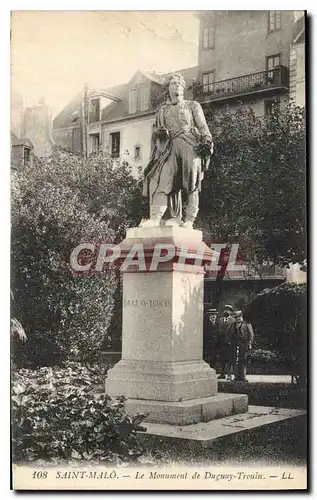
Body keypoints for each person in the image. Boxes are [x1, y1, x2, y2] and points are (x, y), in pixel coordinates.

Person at [140, 72, 213, 229]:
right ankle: (156, 217)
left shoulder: (193, 105)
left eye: (179, 84)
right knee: (162, 179)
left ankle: (189, 220)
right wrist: (159, 134)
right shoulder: (162, 110)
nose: (177, 86)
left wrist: (207, 140)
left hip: (190, 144)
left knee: (192, 182)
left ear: (183, 87)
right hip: (170, 146)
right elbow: (157, 131)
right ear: (168, 88)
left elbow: (203, 126)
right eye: (173, 83)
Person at [232, 310, 254, 382]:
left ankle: (243, 376)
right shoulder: (233, 325)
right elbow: (229, 333)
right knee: (235, 360)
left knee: (243, 360)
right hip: (235, 344)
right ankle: (236, 376)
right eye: (237, 317)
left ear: (242, 317)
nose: (238, 319)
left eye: (239, 317)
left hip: (244, 344)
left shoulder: (247, 324)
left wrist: (250, 343)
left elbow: (251, 335)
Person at [217, 305, 235, 380]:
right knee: (222, 359)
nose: (226, 311)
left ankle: (229, 374)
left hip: (229, 343)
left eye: (228, 310)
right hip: (221, 343)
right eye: (225, 310)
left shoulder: (233, 320)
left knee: (229, 359)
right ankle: (222, 373)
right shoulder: (220, 320)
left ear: (230, 312)